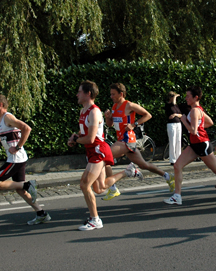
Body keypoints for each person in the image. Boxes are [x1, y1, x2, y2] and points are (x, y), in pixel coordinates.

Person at [68, 80, 141, 230]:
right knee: (99, 188)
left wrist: (77, 140)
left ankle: (95, 219)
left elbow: (91, 138)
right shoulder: (83, 111)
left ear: (88, 94)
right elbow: (84, 134)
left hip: (98, 151)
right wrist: (75, 137)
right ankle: (128, 171)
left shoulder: (94, 111)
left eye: (80, 91)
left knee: (84, 185)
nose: (77, 94)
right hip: (92, 151)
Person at [103, 83, 174, 200]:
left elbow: (148, 115)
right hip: (122, 140)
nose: (111, 96)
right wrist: (108, 117)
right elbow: (110, 125)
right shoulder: (115, 106)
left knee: (105, 157)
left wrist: (134, 124)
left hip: (127, 140)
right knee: (144, 165)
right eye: (111, 94)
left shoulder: (129, 105)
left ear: (121, 94)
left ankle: (113, 188)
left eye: (113, 94)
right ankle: (168, 176)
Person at [0, 95, 48, 225]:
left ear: (0, 105)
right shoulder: (2, 120)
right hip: (17, 158)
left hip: (15, 159)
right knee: (20, 190)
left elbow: (27, 128)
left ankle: (28, 185)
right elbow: (7, 140)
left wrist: (18, 147)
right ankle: (41, 214)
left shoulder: (8, 117)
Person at [164, 91, 182, 165]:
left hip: (178, 124)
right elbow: (173, 103)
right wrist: (176, 96)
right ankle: (172, 159)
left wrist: (175, 114)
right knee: (173, 142)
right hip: (171, 124)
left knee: (178, 141)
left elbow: (181, 115)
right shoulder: (168, 105)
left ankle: (179, 158)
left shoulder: (176, 106)